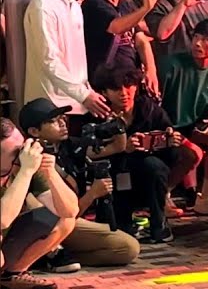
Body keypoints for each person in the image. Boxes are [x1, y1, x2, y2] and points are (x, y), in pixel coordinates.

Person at [19, 97, 142, 262]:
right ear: (34, 131)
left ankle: (50, 255)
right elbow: (59, 215)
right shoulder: (32, 158)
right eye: (53, 121)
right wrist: (92, 194)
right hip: (55, 224)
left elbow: (117, 147)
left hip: (73, 220)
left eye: (62, 118)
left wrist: (117, 127)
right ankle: (46, 254)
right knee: (127, 247)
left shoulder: (69, 146)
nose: (62, 123)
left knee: (127, 248)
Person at [89, 66, 196, 243]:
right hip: (113, 177)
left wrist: (168, 140)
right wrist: (123, 146)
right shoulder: (98, 115)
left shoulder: (150, 110)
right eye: (116, 89)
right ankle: (125, 220)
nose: (124, 93)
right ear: (104, 92)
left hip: (147, 176)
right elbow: (89, 151)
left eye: (128, 86)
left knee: (155, 166)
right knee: (119, 231)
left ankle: (158, 222)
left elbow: (172, 153)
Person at [24, 0, 113, 133]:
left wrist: (86, 92)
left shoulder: (72, 4)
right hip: (50, 106)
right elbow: (50, 61)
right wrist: (84, 94)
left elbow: (75, 60)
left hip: (75, 100)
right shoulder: (43, 6)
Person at [159, 19, 208, 216]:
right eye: (196, 37)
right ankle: (161, 195)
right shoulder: (172, 65)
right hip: (167, 125)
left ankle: (207, 196)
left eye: (206, 40)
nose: (198, 44)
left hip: (192, 123)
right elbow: (155, 102)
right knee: (194, 153)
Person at [0, 119, 78, 289]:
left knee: (65, 220)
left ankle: (12, 275)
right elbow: (2, 220)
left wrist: (49, 172)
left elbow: (70, 210)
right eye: (15, 152)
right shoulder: (25, 168)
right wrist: (26, 172)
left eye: (23, 146)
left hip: (7, 240)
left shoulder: (24, 166)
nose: (24, 154)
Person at [82, 0, 162, 88]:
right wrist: (146, 7)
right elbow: (116, 27)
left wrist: (151, 71)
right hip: (107, 85)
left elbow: (141, 40)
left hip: (131, 81)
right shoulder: (93, 4)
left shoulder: (126, 3)